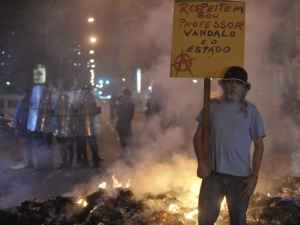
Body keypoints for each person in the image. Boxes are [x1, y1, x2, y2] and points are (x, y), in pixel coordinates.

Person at [193, 66, 266, 225]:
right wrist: (201, 163)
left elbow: (259, 146)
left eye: (238, 83)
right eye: (229, 82)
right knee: (205, 220)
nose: (233, 86)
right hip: (213, 176)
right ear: (223, 85)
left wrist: (254, 177)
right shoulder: (212, 106)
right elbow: (198, 137)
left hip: (240, 180)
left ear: (245, 88)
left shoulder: (252, 112)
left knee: (238, 221)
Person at [75, 85, 102, 168]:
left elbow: (76, 110)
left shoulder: (80, 99)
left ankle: (87, 160)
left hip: (84, 125)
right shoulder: (91, 98)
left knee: (85, 144)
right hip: (88, 124)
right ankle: (93, 160)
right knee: (91, 143)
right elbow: (97, 110)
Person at [115, 88, 135, 160]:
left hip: (120, 122)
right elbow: (132, 113)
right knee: (128, 139)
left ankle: (124, 154)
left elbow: (117, 111)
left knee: (122, 139)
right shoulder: (131, 101)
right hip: (127, 123)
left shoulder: (120, 100)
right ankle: (128, 155)